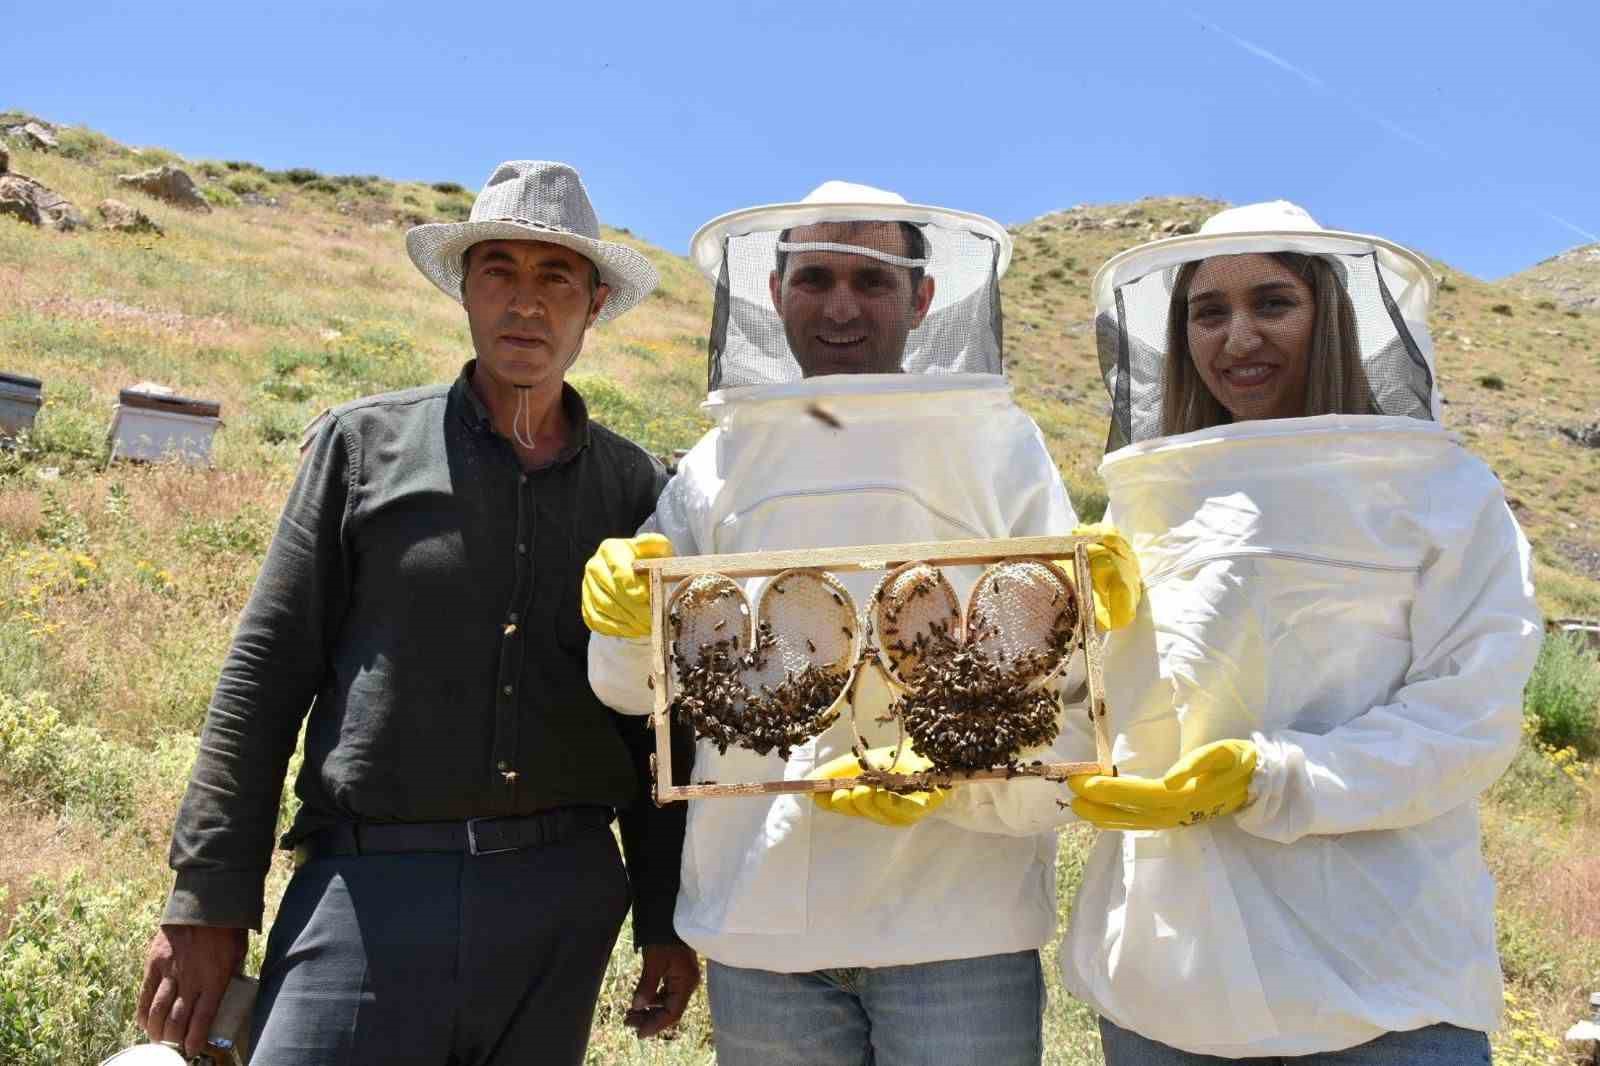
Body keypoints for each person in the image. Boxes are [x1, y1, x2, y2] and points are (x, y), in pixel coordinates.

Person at [136, 160, 699, 1066]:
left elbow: (658, 719)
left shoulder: (637, 489)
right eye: (500, 272)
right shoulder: (363, 447)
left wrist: (666, 915)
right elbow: (264, 674)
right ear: (465, 292)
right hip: (367, 885)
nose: (527, 302)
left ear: (593, 307)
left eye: (556, 277)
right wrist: (209, 901)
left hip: (561, 899)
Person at [582, 181, 1132, 1066]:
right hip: (761, 933)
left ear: (922, 298)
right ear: (774, 293)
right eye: (816, 279)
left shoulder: (997, 442)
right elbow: (627, 686)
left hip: (958, 926)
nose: (841, 306)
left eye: (872, 282)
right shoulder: (719, 461)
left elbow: (1072, 687)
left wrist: (959, 764)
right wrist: (620, 613)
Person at [1061, 200, 1543, 1062]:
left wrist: (1276, 777)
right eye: (1208, 312)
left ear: (1331, 317)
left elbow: (1468, 720)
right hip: (1169, 984)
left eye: (1272, 303)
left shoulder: (1444, 492)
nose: (1237, 335)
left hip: (1382, 989)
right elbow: (1116, 720)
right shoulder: (1149, 503)